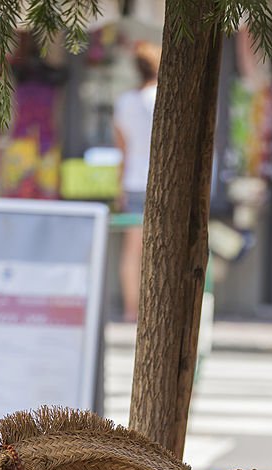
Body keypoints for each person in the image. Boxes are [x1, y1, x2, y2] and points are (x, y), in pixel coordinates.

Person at [113, 41, 161, 322]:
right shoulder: (163, 98)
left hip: (132, 181)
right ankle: (152, 310)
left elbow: (122, 149)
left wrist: (119, 185)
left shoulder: (125, 101)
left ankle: (132, 310)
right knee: (159, 249)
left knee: (132, 251)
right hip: (159, 182)